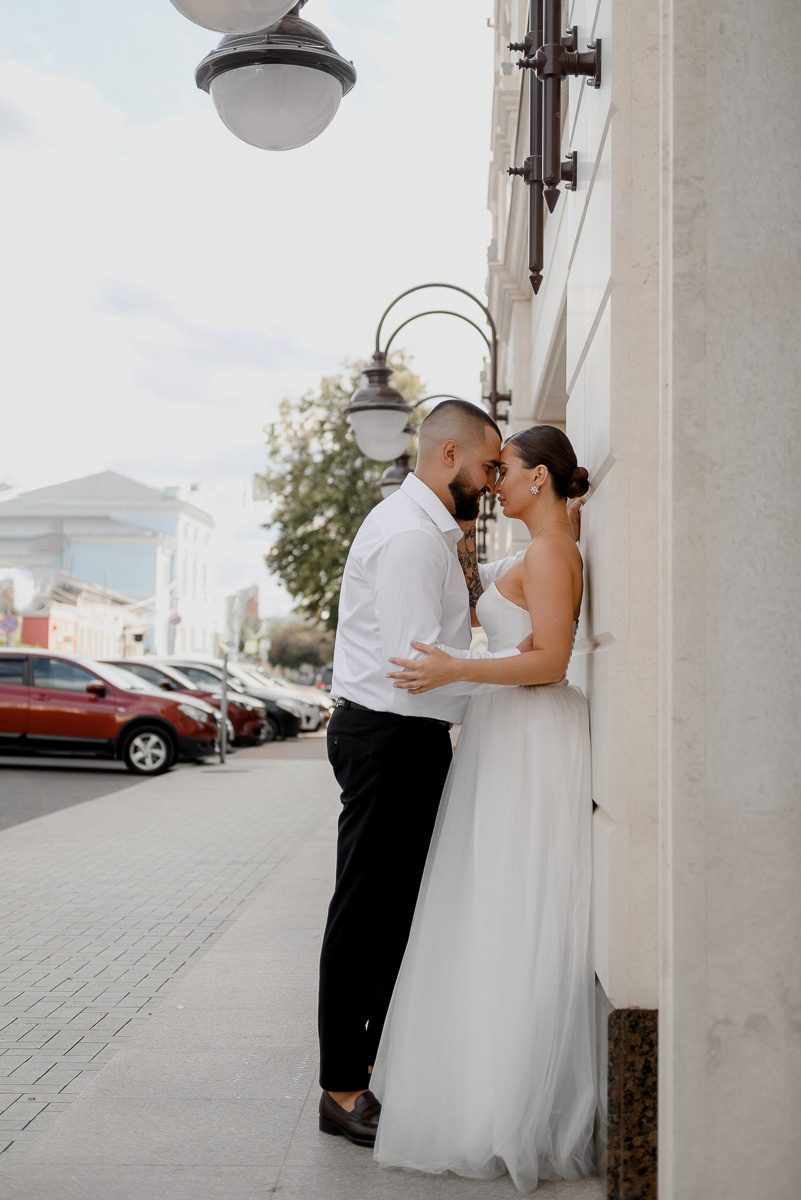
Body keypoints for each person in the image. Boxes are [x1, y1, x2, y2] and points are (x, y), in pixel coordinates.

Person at [371, 425, 596, 1194]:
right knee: (489, 906)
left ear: (540, 481)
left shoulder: (553, 552)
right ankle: (484, 1092)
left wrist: (456, 666)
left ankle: (512, 1106)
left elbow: (552, 661)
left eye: (507, 470)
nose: (495, 481)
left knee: (514, 907)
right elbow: (505, 620)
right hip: (506, 736)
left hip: (531, 741)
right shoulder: (532, 552)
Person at [318, 400, 529, 1148]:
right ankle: (342, 1087)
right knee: (368, 913)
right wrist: (520, 682)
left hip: (403, 740)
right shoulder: (411, 538)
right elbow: (419, 671)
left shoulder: (435, 532)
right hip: (389, 738)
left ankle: (364, 1069)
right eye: (488, 463)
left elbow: (459, 609)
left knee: (396, 912)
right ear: (448, 457)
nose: (493, 476)